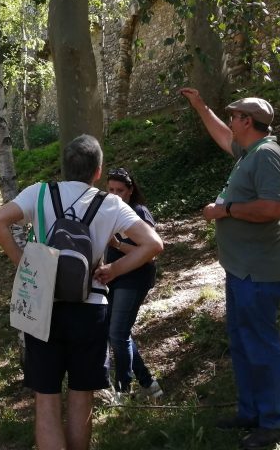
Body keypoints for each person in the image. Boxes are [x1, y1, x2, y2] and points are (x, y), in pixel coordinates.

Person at [0, 134, 164, 450]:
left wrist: (26, 265)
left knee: (46, 398)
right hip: (90, 306)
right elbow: (153, 244)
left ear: (64, 167)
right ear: (98, 172)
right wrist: (113, 271)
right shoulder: (109, 203)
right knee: (82, 397)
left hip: (44, 307)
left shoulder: (39, 193)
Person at [179, 88, 280, 450]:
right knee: (243, 343)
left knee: (260, 345)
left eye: (234, 116)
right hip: (241, 269)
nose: (230, 121)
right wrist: (201, 107)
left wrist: (224, 211)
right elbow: (223, 137)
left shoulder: (267, 156)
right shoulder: (249, 152)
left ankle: (276, 421)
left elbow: (273, 208)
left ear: (247, 121)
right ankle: (251, 412)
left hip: (259, 272)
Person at [103, 167, 163, 401]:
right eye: (111, 190)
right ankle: (149, 384)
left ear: (130, 190)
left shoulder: (138, 212)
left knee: (117, 333)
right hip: (113, 277)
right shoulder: (109, 212)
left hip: (135, 278)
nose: (115, 194)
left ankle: (123, 390)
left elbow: (151, 252)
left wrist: (117, 245)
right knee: (116, 333)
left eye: (120, 190)